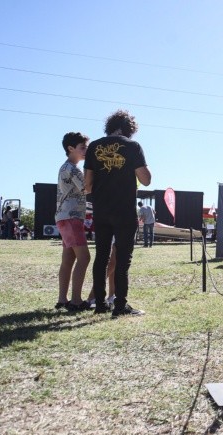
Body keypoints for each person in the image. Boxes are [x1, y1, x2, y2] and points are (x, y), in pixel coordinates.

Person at [84, 110, 151, 317]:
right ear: (129, 128)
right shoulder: (132, 147)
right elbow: (146, 179)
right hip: (124, 211)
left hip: (101, 210)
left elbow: (87, 185)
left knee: (101, 257)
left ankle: (100, 305)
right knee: (123, 259)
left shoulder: (94, 146)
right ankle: (120, 305)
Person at [55, 132, 92, 312]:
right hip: (72, 217)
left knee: (68, 259)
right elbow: (87, 187)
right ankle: (76, 301)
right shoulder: (72, 169)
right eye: (83, 148)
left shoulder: (65, 167)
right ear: (71, 149)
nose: (86, 151)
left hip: (63, 217)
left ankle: (62, 299)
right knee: (84, 257)